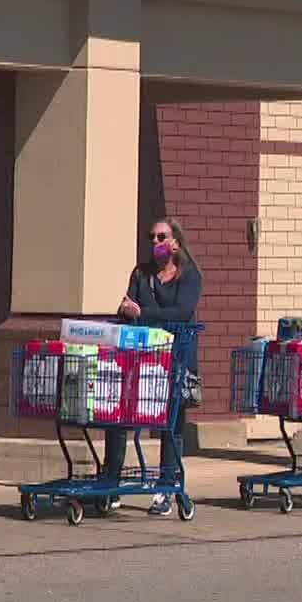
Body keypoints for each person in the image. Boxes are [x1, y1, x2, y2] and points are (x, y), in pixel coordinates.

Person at [109, 218, 203, 516]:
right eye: (151, 237)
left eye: (161, 236)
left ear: (175, 241)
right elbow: (125, 308)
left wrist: (144, 312)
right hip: (141, 357)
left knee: (170, 425)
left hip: (175, 359)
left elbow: (182, 311)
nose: (155, 242)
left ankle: (165, 488)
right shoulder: (141, 274)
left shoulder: (189, 276)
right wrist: (129, 311)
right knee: (119, 417)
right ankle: (111, 484)